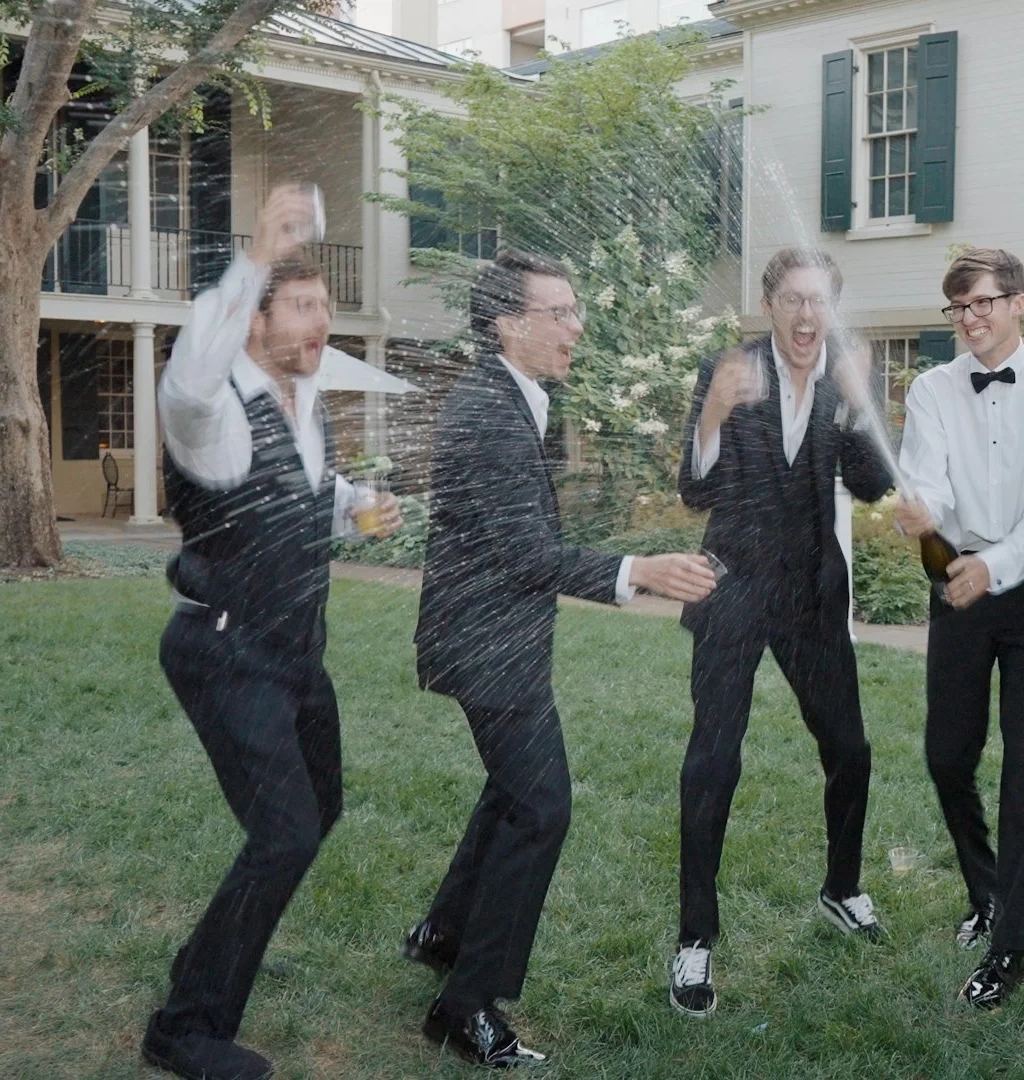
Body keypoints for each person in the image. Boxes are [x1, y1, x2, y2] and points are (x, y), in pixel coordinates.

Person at [407, 250, 715, 1067]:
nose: (578, 326)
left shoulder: (505, 395)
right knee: (541, 809)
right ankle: (465, 1007)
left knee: (512, 792)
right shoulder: (490, 410)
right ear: (510, 324)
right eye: (562, 312)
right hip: (487, 645)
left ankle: (443, 934)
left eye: (577, 310)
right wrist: (639, 571)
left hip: (487, 638)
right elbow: (527, 553)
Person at [144, 185, 403, 1080]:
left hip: (295, 653)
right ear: (254, 323)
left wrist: (357, 507)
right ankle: (184, 1028)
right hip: (225, 650)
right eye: (301, 306)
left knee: (318, 809)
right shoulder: (211, 411)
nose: (321, 321)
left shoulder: (306, 401)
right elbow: (184, 381)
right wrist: (256, 254)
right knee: (285, 833)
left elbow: (298, 499)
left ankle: (205, 958)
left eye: (325, 306)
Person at [667, 248, 893, 1018]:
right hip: (732, 588)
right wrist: (712, 413)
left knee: (850, 750)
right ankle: (695, 938)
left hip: (811, 597)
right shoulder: (728, 369)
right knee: (713, 760)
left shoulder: (847, 376)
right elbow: (694, 489)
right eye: (792, 299)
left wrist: (859, 405)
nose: (806, 315)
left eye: (819, 301)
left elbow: (872, 483)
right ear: (768, 305)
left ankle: (842, 888)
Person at [896, 247, 1024, 1010]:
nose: (970, 318)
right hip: (959, 587)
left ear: (1016, 302)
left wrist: (995, 565)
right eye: (958, 307)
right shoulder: (930, 389)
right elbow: (931, 481)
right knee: (947, 754)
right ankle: (985, 892)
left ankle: (1011, 945)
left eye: (982, 302)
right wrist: (927, 517)